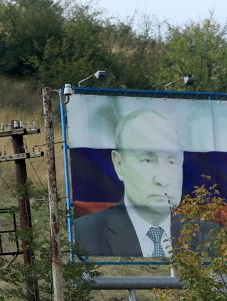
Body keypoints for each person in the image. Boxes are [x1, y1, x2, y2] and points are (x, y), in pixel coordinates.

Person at [73, 109, 219, 258]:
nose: (163, 180)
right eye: (147, 161)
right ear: (119, 164)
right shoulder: (84, 234)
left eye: (171, 161)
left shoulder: (210, 236)